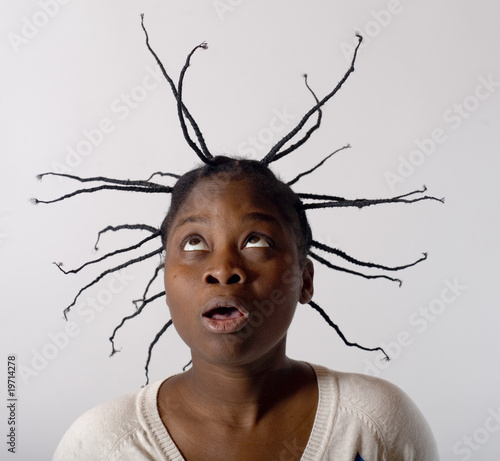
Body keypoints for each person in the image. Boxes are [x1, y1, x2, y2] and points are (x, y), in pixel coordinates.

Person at [47, 16, 440, 460]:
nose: (222, 269)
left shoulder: (375, 425)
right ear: (165, 277)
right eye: (194, 243)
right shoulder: (102, 443)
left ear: (305, 279)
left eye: (257, 241)